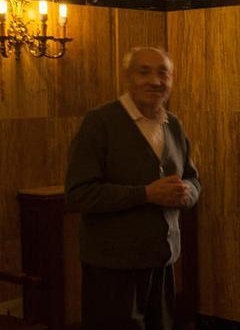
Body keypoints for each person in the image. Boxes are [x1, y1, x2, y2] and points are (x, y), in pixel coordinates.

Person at [65, 47, 201, 330]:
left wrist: (188, 192)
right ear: (128, 77)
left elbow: (193, 178)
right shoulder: (99, 123)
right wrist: (146, 194)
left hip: (162, 261)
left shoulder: (173, 124)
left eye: (163, 73)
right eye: (144, 72)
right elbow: (79, 194)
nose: (155, 81)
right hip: (113, 268)